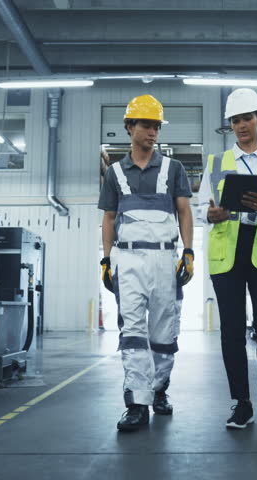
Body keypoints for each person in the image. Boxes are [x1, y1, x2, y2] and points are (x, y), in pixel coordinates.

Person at [197, 88, 257, 429]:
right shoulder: (216, 163)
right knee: (232, 331)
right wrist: (210, 215)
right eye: (235, 120)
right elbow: (201, 207)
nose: (241, 125)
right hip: (228, 254)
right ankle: (242, 402)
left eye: (246, 119)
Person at [99, 94, 194, 432]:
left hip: (165, 259)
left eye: (156, 126)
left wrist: (188, 252)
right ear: (129, 127)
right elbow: (109, 218)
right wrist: (106, 259)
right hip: (127, 260)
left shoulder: (173, 168)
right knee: (133, 332)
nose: (152, 132)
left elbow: (184, 211)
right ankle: (137, 403)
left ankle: (158, 389)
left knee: (164, 333)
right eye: (146, 125)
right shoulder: (114, 172)